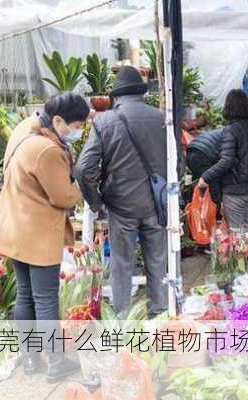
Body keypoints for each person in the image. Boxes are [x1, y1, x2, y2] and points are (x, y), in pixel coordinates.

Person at [0, 92, 89, 381]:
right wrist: (83, 186)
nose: (78, 132)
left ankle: (30, 358)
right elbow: (64, 197)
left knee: (25, 295)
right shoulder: (48, 151)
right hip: (38, 234)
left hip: (14, 228)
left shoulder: (24, 129)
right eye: (77, 125)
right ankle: (56, 362)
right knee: (45, 300)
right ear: (58, 120)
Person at [75, 66, 168, 316]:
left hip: (121, 206)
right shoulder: (161, 118)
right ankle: (160, 318)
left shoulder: (104, 121)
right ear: (141, 93)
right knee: (158, 263)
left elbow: (84, 168)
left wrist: (95, 202)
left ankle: (123, 323)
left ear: (116, 96)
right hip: (156, 204)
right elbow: (178, 161)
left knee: (122, 265)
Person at [197, 89, 248, 229]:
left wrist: (205, 178)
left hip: (235, 192)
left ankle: (241, 251)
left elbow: (226, 160)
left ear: (228, 107)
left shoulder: (231, 130)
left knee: (237, 236)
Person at [186, 129, 223, 206]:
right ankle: (217, 210)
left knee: (197, 182)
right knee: (213, 183)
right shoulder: (234, 137)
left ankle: (191, 205)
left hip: (191, 151)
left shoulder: (222, 132)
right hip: (203, 154)